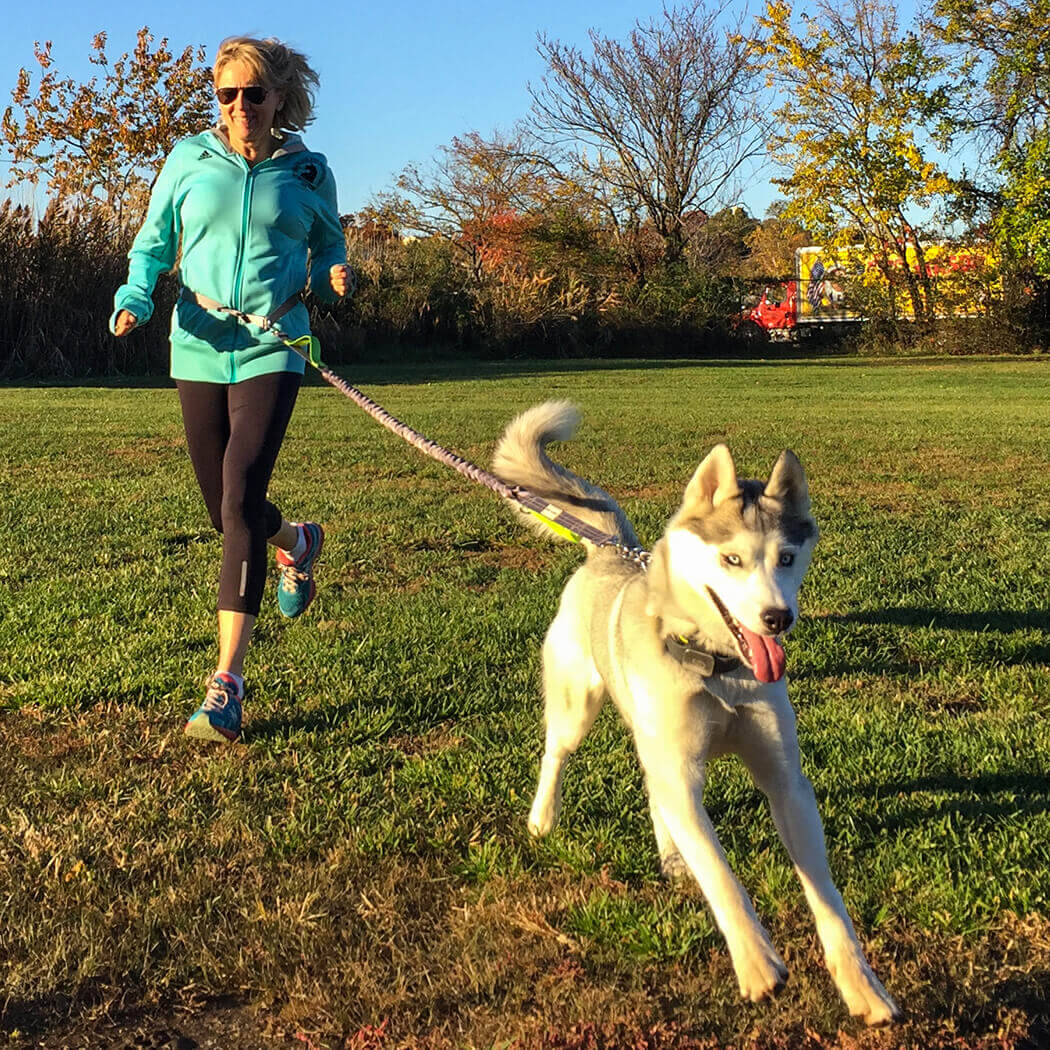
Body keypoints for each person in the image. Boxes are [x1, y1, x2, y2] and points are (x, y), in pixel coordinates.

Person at [111, 36, 352, 743]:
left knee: (241, 492)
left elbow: (330, 241)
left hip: (275, 345)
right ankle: (298, 542)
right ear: (216, 98)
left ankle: (227, 686)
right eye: (227, 94)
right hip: (198, 343)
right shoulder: (189, 159)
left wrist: (337, 273)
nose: (241, 106)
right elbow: (155, 240)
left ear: (279, 97)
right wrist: (137, 293)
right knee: (228, 513)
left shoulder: (308, 171)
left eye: (254, 93)